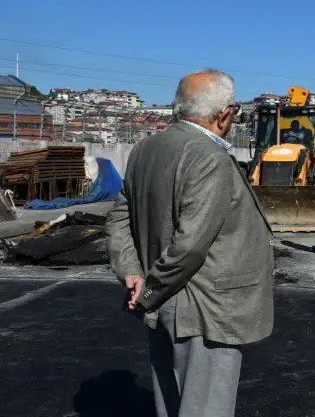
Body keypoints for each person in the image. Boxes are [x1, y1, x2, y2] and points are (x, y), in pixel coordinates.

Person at [106, 69, 274, 417]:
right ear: (224, 115)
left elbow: (119, 219)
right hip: (205, 312)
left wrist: (133, 274)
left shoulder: (145, 150)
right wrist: (149, 292)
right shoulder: (209, 158)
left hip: (165, 304)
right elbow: (190, 246)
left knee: (173, 404)